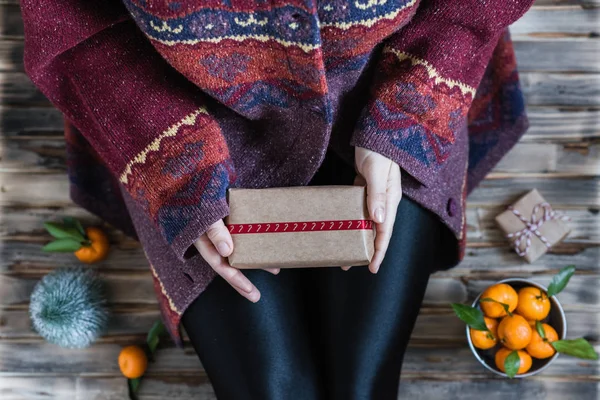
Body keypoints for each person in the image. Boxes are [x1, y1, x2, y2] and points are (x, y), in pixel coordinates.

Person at [21, 0, 534, 398]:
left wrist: (407, 116)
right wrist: (179, 170)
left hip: (394, 71)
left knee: (363, 386)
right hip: (181, 111)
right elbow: (69, 21)